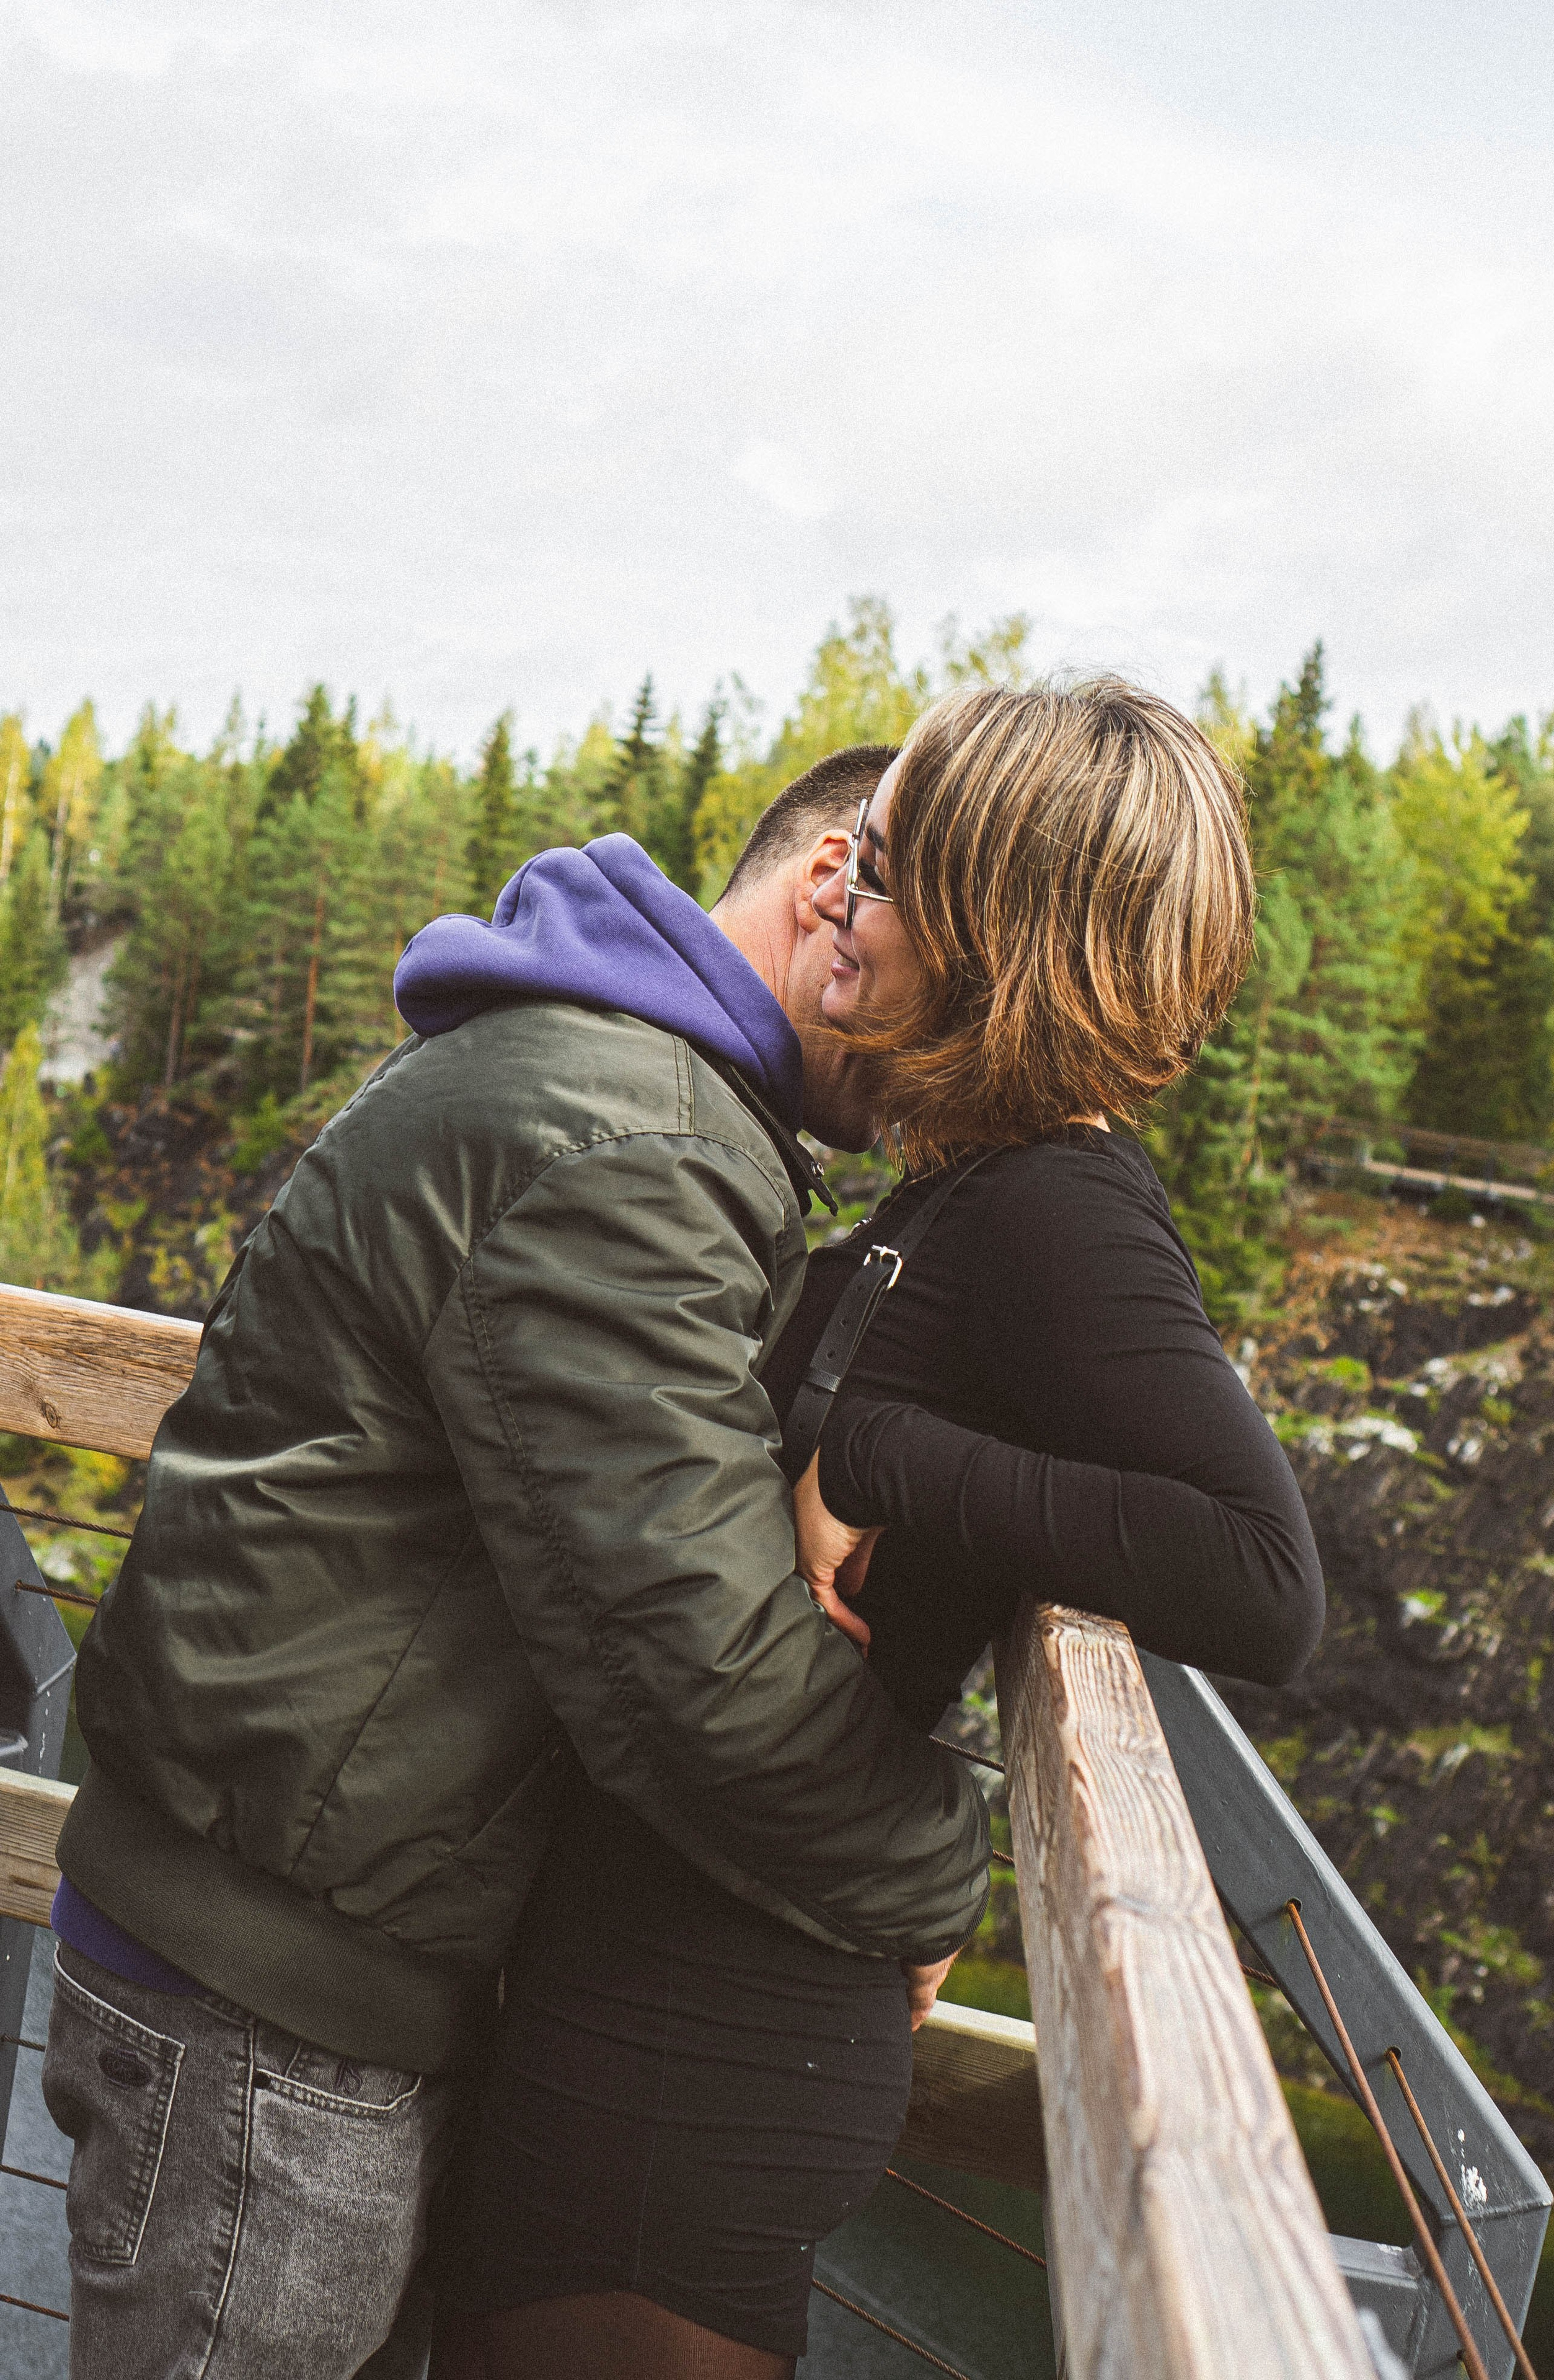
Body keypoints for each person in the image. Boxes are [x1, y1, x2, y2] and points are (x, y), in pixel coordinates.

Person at [41, 743, 989, 2380]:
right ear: (842, 882)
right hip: (275, 2003)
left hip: (297, 1949)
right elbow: (685, 1662)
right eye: (960, 1007)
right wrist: (925, 1874)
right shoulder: (629, 1143)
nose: (955, 1078)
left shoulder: (624, 1085)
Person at [430, 677, 1327, 2380]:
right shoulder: (969, 1190)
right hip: (654, 1989)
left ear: (1010, 933)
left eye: (901, 871)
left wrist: (882, 1456)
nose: (845, 885)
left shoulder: (1064, 1208)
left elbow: (1261, 1576)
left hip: (695, 2054)